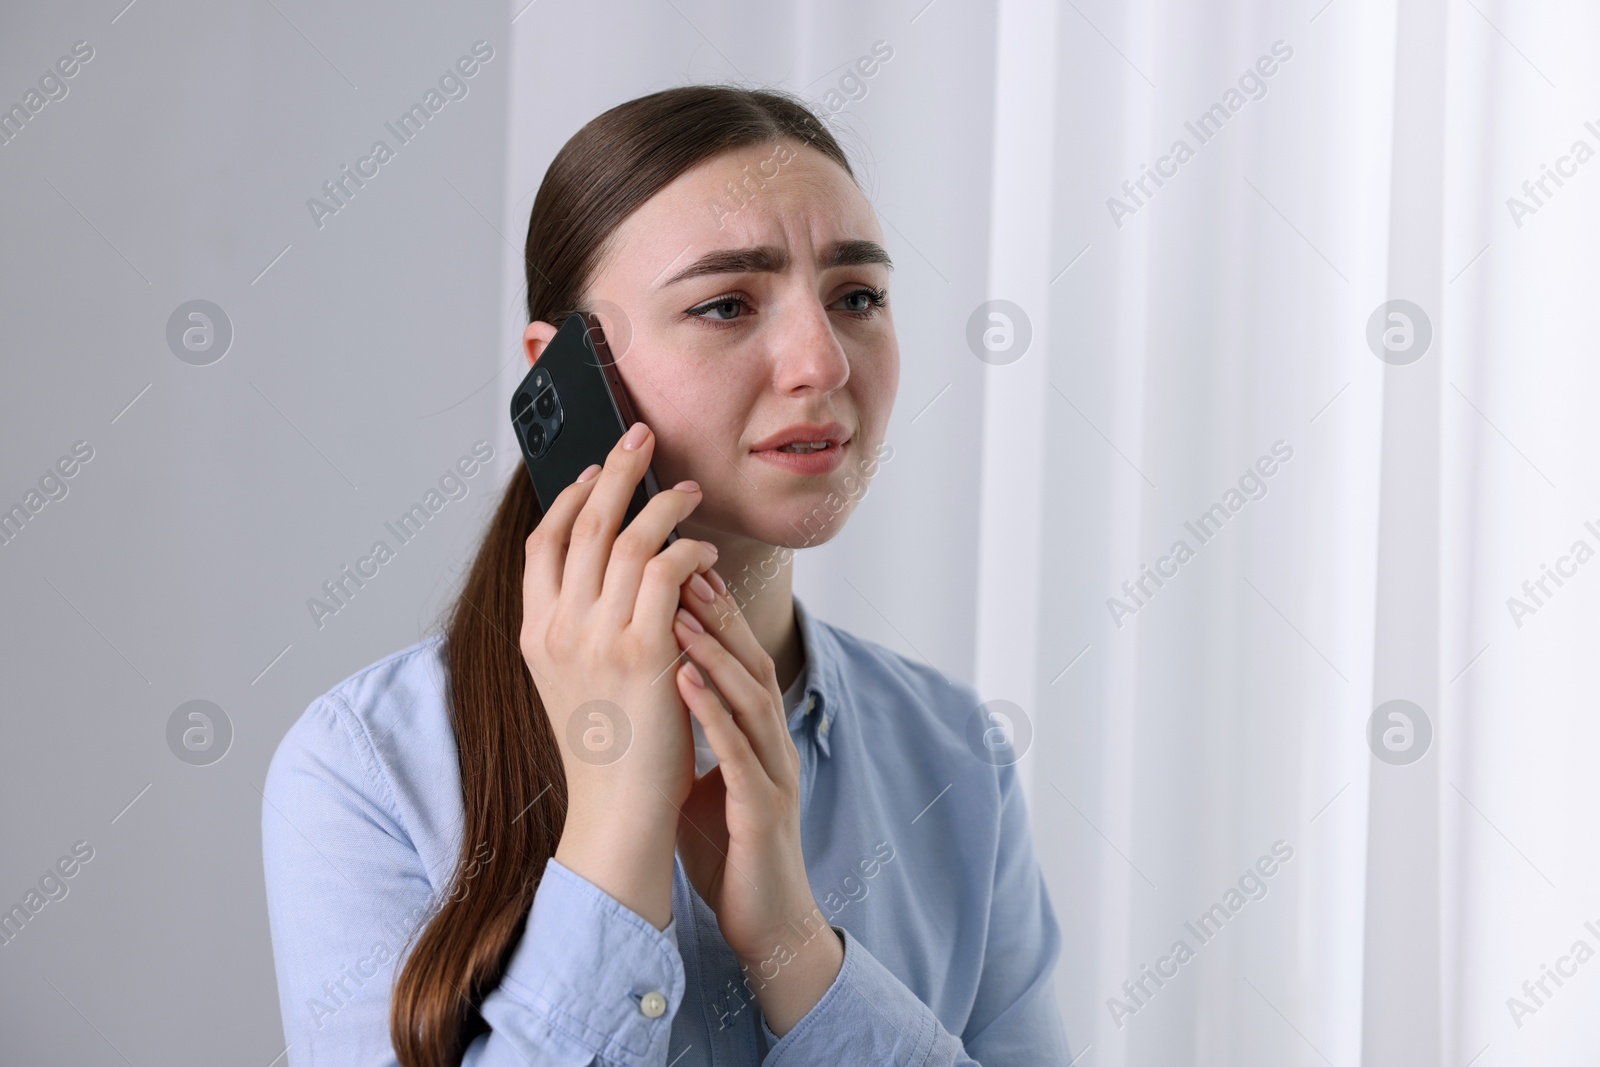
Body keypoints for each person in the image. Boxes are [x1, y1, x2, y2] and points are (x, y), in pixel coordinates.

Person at [262, 84, 1072, 1066]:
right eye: (726, 303)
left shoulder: (953, 753)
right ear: (563, 377)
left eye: (856, 296)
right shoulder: (366, 770)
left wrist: (798, 950)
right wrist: (616, 827)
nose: (821, 360)